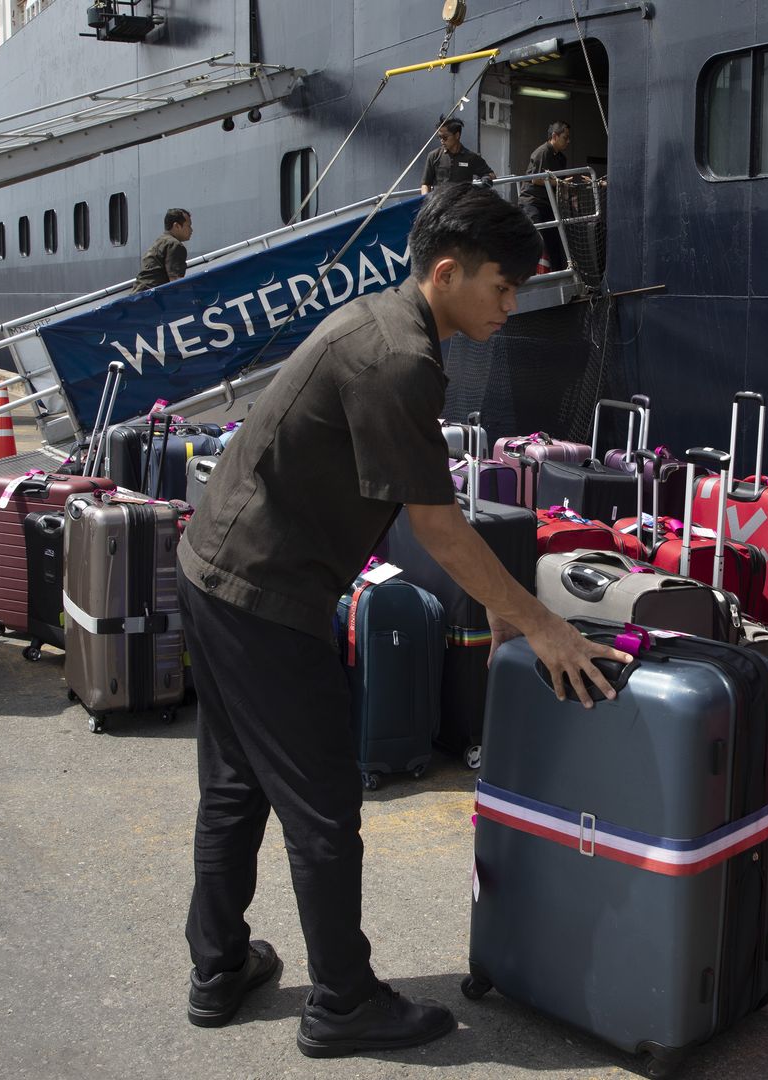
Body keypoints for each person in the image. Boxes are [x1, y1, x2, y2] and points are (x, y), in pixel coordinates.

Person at [174, 183, 629, 1056]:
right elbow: (436, 523)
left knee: (234, 787)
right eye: (501, 287)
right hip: (267, 593)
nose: (510, 305)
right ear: (449, 272)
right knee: (323, 808)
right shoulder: (399, 358)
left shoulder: (384, 324)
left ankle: (219, 966)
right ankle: (343, 1003)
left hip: (216, 569)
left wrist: (501, 607)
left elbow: (426, 510)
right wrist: (540, 622)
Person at [520, 121, 573, 272]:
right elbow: (535, 178)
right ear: (555, 136)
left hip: (548, 203)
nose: (568, 141)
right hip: (532, 203)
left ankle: (557, 273)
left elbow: (558, 182)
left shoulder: (561, 158)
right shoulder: (542, 152)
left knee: (555, 241)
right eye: (565, 137)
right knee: (537, 239)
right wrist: (559, 183)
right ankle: (532, 274)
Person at [419, 118, 495, 194]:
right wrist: (427, 201)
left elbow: (490, 174)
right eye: (439, 137)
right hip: (440, 203)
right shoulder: (433, 156)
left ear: (457, 135)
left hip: (462, 203)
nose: (441, 140)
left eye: (445, 137)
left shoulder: (471, 157)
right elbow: (425, 184)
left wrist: (485, 181)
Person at [134, 209, 193, 291]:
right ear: (177, 226)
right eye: (188, 226)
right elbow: (176, 282)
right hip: (153, 298)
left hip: (141, 295)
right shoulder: (175, 245)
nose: (191, 230)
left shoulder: (160, 242)